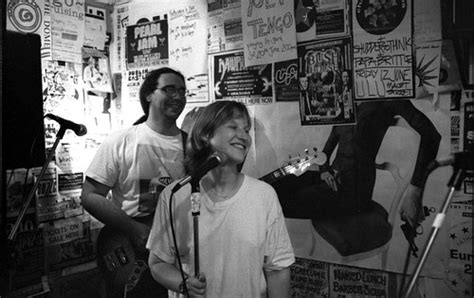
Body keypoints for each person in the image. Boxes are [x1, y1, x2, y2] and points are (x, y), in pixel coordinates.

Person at [147, 100, 295, 297]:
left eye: (246, 129)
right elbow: (158, 262)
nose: (244, 136)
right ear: (206, 134)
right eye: (233, 127)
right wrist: (183, 284)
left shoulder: (264, 195)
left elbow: (278, 269)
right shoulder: (176, 195)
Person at [81, 67, 188, 297]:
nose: (178, 96)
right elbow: (89, 195)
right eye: (169, 89)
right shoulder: (121, 141)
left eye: (182, 91)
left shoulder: (192, 147)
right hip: (129, 247)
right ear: (149, 94)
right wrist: (134, 229)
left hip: (176, 251)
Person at [274, 100, 441, 231]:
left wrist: (415, 191)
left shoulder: (387, 99)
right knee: (274, 185)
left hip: (354, 191)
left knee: (281, 201)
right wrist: (325, 170)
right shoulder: (346, 103)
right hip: (329, 179)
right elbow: (327, 150)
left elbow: (431, 135)